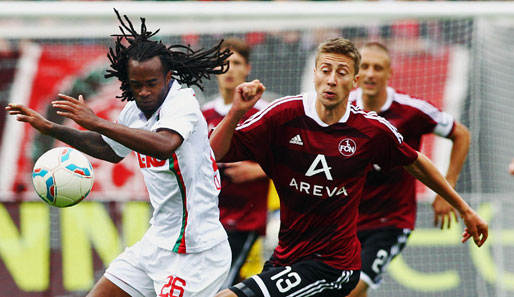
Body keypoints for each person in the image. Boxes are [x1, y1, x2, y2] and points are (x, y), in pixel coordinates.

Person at [209, 37, 488, 297]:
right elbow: (215, 151)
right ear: (315, 73)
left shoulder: (372, 129)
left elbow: (416, 162)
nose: (331, 80)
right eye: (326, 70)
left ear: (353, 81)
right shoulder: (282, 115)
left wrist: (463, 208)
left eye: (341, 73)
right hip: (288, 255)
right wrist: (235, 112)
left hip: (334, 264)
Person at [6, 9, 232, 297]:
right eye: (136, 85)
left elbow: (164, 145)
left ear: (168, 76)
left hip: (196, 251)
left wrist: (96, 120)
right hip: (157, 243)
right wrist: (51, 128)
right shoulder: (133, 111)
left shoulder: (182, 104)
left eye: (152, 83)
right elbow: (109, 150)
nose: (145, 92)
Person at [346, 42, 471, 297]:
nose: (371, 74)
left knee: (355, 288)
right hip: (346, 217)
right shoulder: (342, 108)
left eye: (378, 68)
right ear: (357, 73)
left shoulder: (411, 110)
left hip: (390, 220)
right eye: (365, 67)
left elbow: (461, 134)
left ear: (390, 73)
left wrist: (447, 189)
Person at [201, 38, 269, 287]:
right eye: (223, 63)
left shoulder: (263, 112)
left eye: (236, 62)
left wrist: (258, 170)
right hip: (207, 218)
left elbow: (290, 158)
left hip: (244, 219)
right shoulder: (203, 114)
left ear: (247, 68)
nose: (228, 69)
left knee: (220, 286)